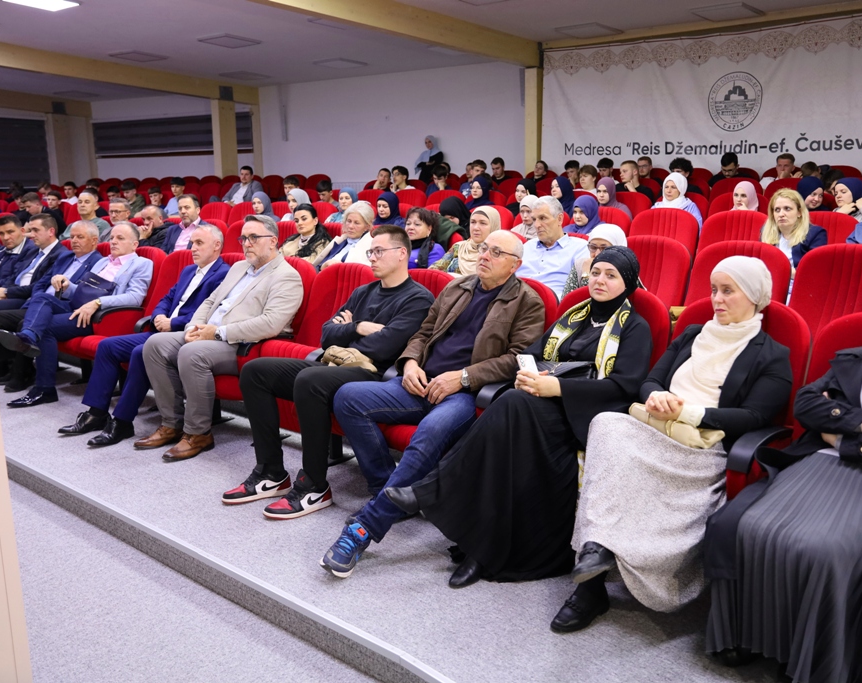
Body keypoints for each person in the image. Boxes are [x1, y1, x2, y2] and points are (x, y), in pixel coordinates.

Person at [704, 283, 862, 683]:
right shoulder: (851, 359)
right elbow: (806, 405)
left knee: (823, 549)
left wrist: (840, 437)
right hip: (811, 465)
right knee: (741, 526)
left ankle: (811, 661)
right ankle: (746, 636)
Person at [386, 246, 652, 590]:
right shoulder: (575, 315)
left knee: (511, 405)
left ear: (627, 282)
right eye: (596, 272)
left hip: (586, 416)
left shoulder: (635, 327)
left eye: (610, 276)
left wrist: (557, 387)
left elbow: (625, 386)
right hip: (541, 404)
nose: (599, 280)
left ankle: (432, 492)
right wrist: (529, 374)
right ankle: (477, 547)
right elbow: (532, 354)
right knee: (508, 423)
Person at [559, 256, 791, 632]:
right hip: (656, 428)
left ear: (755, 296)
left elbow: (755, 416)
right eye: (713, 289)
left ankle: (597, 565)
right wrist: (657, 396)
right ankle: (593, 569)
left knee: (620, 458)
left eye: (728, 291)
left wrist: (691, 412)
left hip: (701, 448)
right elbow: (651, 381)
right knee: (606, 424)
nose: (717, 298)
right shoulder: (691, 334)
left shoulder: (772, 354)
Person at [320, 230, 545, 579]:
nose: (485, 255)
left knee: (430, 431)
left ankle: (364, 528)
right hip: (420, 382)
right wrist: (410, 363)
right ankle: (388, 491)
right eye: (484, 248)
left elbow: (517, 358)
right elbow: (423, 333)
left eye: (496, 252)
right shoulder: (458, 287)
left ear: (515, 264)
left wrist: (463, 377)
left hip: (464, 394)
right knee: (348, 397)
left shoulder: (528, 301)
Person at [228, 225, 435, 514]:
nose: (372, 257)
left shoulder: (418, 298)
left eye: (379, 251)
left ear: (402, 253)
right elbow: (326, 335)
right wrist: (358, 327)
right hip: (336, 363)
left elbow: (384, 348)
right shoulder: (363, 291)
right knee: (255, 371)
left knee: (310, 379)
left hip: (373, 374)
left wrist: (346, 331)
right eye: (370, 252)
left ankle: (313, 485)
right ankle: (271, 471)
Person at [139, 215, 304, 460]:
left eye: (253, 237)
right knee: (154, 344)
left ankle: (198, 433)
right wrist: (193, 328)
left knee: (191, 353)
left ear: (273, 241)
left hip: (243, 344)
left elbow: (271, 323)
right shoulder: (238, 267)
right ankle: (172, 423)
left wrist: (216, 332)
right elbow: (210, 301)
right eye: (243, 238)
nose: (246, 243)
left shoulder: (286, 276)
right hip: (209, 333)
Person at [59, 226, 230, 447]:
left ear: (216, 246)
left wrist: (173, 323)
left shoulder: (224, 273)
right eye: (192, 243)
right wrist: (158, 316)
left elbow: (209, 313)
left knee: (140, 353)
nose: (192, 248)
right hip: (159, 330)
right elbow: (167, 299)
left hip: (187, 335)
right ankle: (96, 413)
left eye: (199, 243)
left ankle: (122, 421)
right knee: (108, 347)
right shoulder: (189, 270)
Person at [0, 223, 154, 408]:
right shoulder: (103, 261)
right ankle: (28, 336)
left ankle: (44, 389)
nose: (113, 242)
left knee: (45, 328)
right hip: (78, 306)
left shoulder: (142, 263)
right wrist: (66, 284)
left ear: (135, 244)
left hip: (101, 316)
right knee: (42, 297)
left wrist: (98, 303)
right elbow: (83, 291)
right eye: (111, 238)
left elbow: (135, 297)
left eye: (120, 238)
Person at [0, 222, 101, 389]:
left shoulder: (98, 262)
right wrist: (34, 300)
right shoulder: (65, 257)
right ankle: (7, 365)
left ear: (94, 241)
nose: (74, 240)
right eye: (72, 237)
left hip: (62, 306)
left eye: (80, 237)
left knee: (21, 322)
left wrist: (43, 298)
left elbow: (85, 293)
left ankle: (22, 373)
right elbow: (42, 283)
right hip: (39, 303)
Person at [0, 214, 66, 374]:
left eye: (35, 230)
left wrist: (5, 291)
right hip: (15, 292)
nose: (31, 235)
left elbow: (39, 286)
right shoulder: (34, 251)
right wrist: (3, 290)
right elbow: (14, 275)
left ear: (51, 231)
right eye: (31, 230)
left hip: (29, 298)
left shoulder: (58, 253)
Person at [516, 197, 591, 300]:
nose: (536, 225)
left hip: (553, 304)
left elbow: (583, 290)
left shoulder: (580, 248)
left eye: (543, 218)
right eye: (534, 219)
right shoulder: (526, 247)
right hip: (516, 301)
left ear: (559, 219)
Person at [761, 189, 827, 294]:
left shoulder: (815, 234)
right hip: (769, 286)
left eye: (787, 209)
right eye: (777, 210)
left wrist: (783, 271)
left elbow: (815, 274)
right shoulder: (766, 232)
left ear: (799, 212)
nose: (781, 214)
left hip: (799, 289)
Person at [562, 224, 627, 296]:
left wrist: (586, 277)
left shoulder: (625, 269)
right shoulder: (580, 265)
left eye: (604, 248)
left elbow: (595, 299)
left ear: (618, 249)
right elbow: (567, 299)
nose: (597, 254)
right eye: (593, 247)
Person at [432, 206, 498, 276]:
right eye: (473, 222)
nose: (475, 228)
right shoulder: (459, 247)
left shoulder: (498, 254)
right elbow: (434, 270)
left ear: (493, 226)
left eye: (483, 223)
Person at [316, 201, 376, 269]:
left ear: (367, 227)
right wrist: (323, 266)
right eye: (349, 221)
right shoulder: (341, 240)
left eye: (357, 223)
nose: (350, 226)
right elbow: (318, 266)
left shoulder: (371, 246)